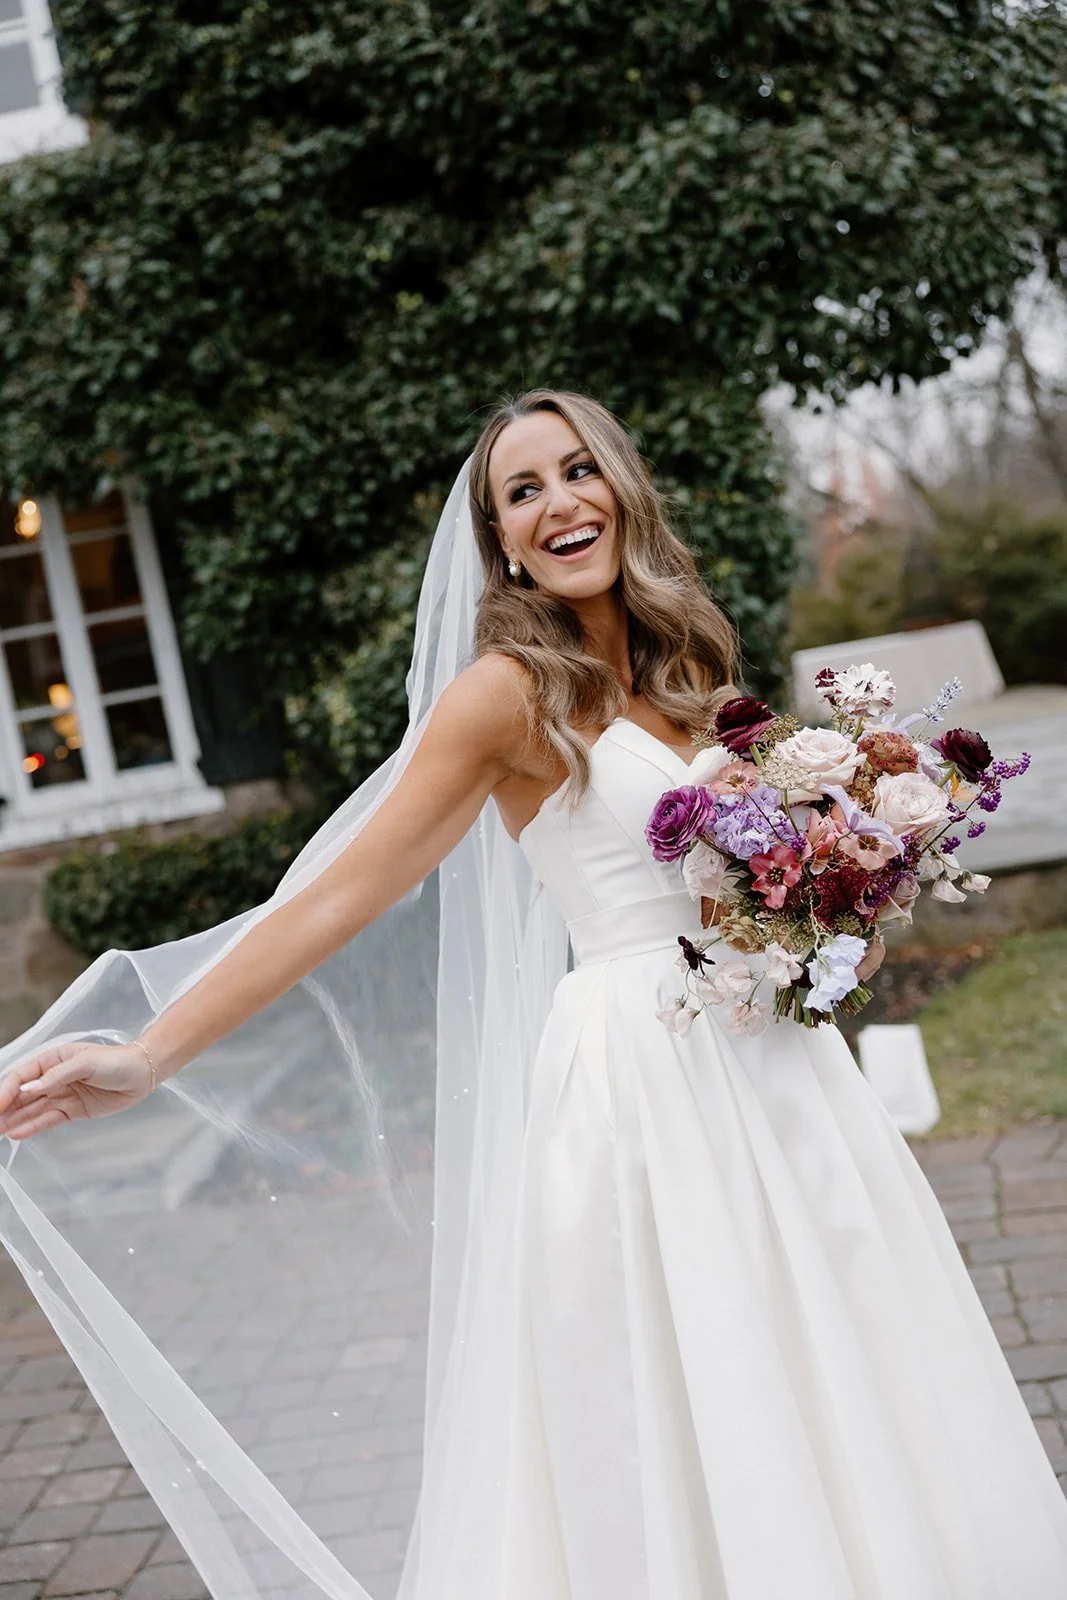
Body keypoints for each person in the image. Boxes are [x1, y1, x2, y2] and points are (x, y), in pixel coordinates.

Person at [0, 390, 1065, 1599]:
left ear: (618, 488)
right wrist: (150, 1056)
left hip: (774, 1065)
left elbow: (740, 904)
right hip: (635, 1079)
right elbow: (336, 898)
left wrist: (839, 908)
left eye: (576, 471)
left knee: (837, 1344)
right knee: (687, 1381)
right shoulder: (505, 696)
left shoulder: (696, 674)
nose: (559, 502)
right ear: (501, 539)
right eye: (523, 490)